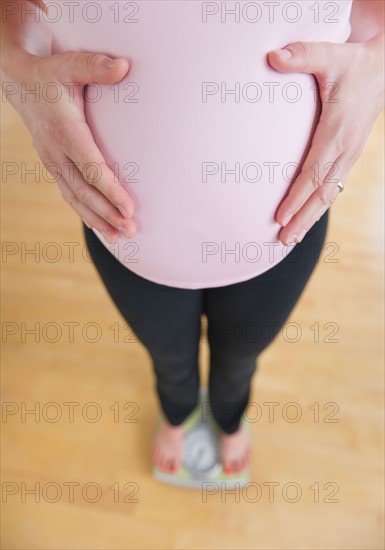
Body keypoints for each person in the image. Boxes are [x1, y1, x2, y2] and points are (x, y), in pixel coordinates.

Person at [2, 0, 384, 476]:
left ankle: (229, 414)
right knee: (168, 355)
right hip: (126, 235)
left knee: (242, 355)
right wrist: (13, 64)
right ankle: (178, 411)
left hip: (282, 234)